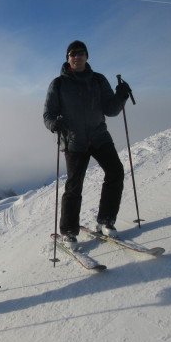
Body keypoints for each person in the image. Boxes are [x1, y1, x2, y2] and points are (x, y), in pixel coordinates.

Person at [43, 40, 131, 248]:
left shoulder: (98, 80)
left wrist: (121, 96)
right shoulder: (58, 84)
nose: (77, 57)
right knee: (74, 186)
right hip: (74, 141)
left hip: (99, 136)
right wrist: (54, 124)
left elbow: (111, 110)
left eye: (80, 53)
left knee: (115, 172)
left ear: (86, 56)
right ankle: (68, 231)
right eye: (73, 54)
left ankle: (106, 220)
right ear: (67, 58)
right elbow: (48, 114)